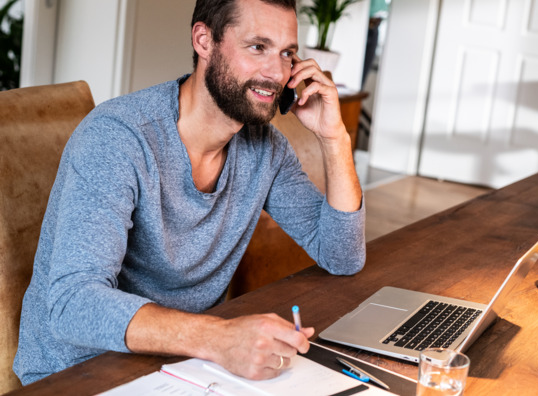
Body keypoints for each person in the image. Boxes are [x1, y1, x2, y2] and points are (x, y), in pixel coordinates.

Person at [13, 0, 365, 385]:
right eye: (257, 47)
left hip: (185, 364)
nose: (277, 72)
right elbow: (72, 305)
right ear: (204, 41)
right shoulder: (118, 138)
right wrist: (220, 337)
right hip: (78, 372)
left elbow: (341, 255)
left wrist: (335, 138)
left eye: (287, 54)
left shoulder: (265, 149)